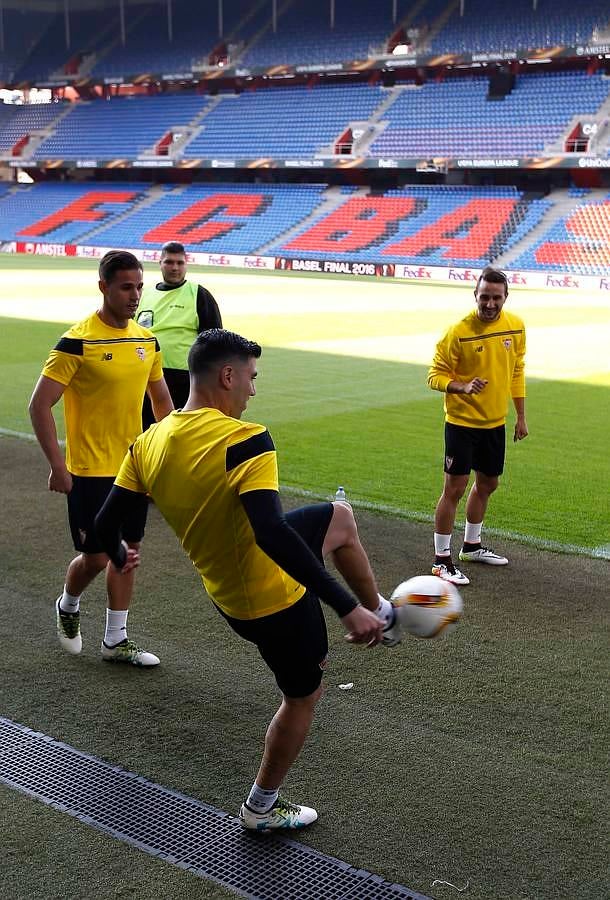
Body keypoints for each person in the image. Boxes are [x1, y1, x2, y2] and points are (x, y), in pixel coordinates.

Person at [95, 328, 401, 830]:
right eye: (252, 378)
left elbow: (105, 527)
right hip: (269, 600)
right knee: (303, 696)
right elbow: (272, 535)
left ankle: (385, 615)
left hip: (224, 589)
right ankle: (260, 808)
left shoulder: (147, 442)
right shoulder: (245, 439)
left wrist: (119, 551)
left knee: (339, 519)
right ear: (228, 375)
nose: (254, 391)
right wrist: (346, 606)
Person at [29, 250, 174, 666]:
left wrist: (167, 449)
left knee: (127, 551)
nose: (134, 295)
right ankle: (68, 605)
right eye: (126, 287)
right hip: (89, 471)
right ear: (104, 287)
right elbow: (39, 405)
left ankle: (115, 639)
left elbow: (161, 399)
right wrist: (58, 465)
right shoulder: (77, 341)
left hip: (133, 468)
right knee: (96, 556)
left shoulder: (146, 340)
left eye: (139, 287)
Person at [427, 266, 528, 586]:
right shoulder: (457, 332)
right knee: (453, 489)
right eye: (484, 296)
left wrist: (521, 416)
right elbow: (434, 376)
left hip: (495, 424)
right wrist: (462, 386)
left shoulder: (516, 326)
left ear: (505, 298)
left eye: (496, 297)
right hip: (461, 424)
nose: (490, 303)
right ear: (475, 295)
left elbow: (517, 371)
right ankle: (441, 560)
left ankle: (471, 546)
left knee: (488, 484)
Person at [136, 240, 222, 428]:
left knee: (180, 433)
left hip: (184, 379)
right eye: (169, 262)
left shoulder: (199, 294)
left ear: (186, 264)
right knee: (146, 432)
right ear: (160, 263)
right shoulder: (145, 295)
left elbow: (215, 343)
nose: (174, 268)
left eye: (179, 263)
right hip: (146, 377)